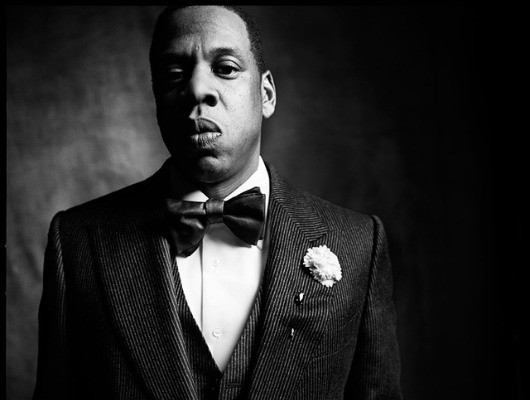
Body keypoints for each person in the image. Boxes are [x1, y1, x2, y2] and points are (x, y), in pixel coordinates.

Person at [33, 5, 402, 400]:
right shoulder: (78, 241)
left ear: (266, 94)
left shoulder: (358, 242)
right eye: (174, 74)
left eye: (225, 68)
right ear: (157, 99)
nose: (197, 90)